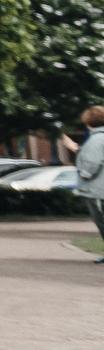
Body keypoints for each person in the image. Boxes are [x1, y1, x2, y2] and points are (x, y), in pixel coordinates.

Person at [76, 109, 104, 259]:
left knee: (101, 222)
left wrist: (84, 174)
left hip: (98, 190)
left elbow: (93, 162)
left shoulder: (96, 139)